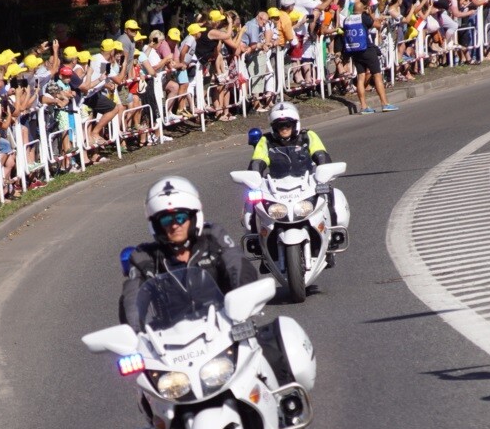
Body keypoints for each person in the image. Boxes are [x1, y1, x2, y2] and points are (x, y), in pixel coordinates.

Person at [120, 176, 258, 330]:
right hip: (170, 344)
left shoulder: (214, 238)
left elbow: (238, 266)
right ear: (157, 225)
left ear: (193, 218)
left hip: (226, 328)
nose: (174, 226)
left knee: (279, 341)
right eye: (166, 220)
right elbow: (132, 301)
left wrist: (243, 306)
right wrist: (136, 334)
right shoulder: (144, 258)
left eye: (180, 217)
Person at [246, 101, 349, 231]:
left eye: (288, 125)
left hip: (307, 181)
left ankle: (334, 231)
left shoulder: (307, 136)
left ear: (295, 124)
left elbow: (321, 155)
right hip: (276, 185)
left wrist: (326, 172)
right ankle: (255, 236)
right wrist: (253, 178)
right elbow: (258, 160)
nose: (284, 129)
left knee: (329, 192)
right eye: (280, 125)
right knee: (252, 199)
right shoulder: (266, 141)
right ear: (273, 127)